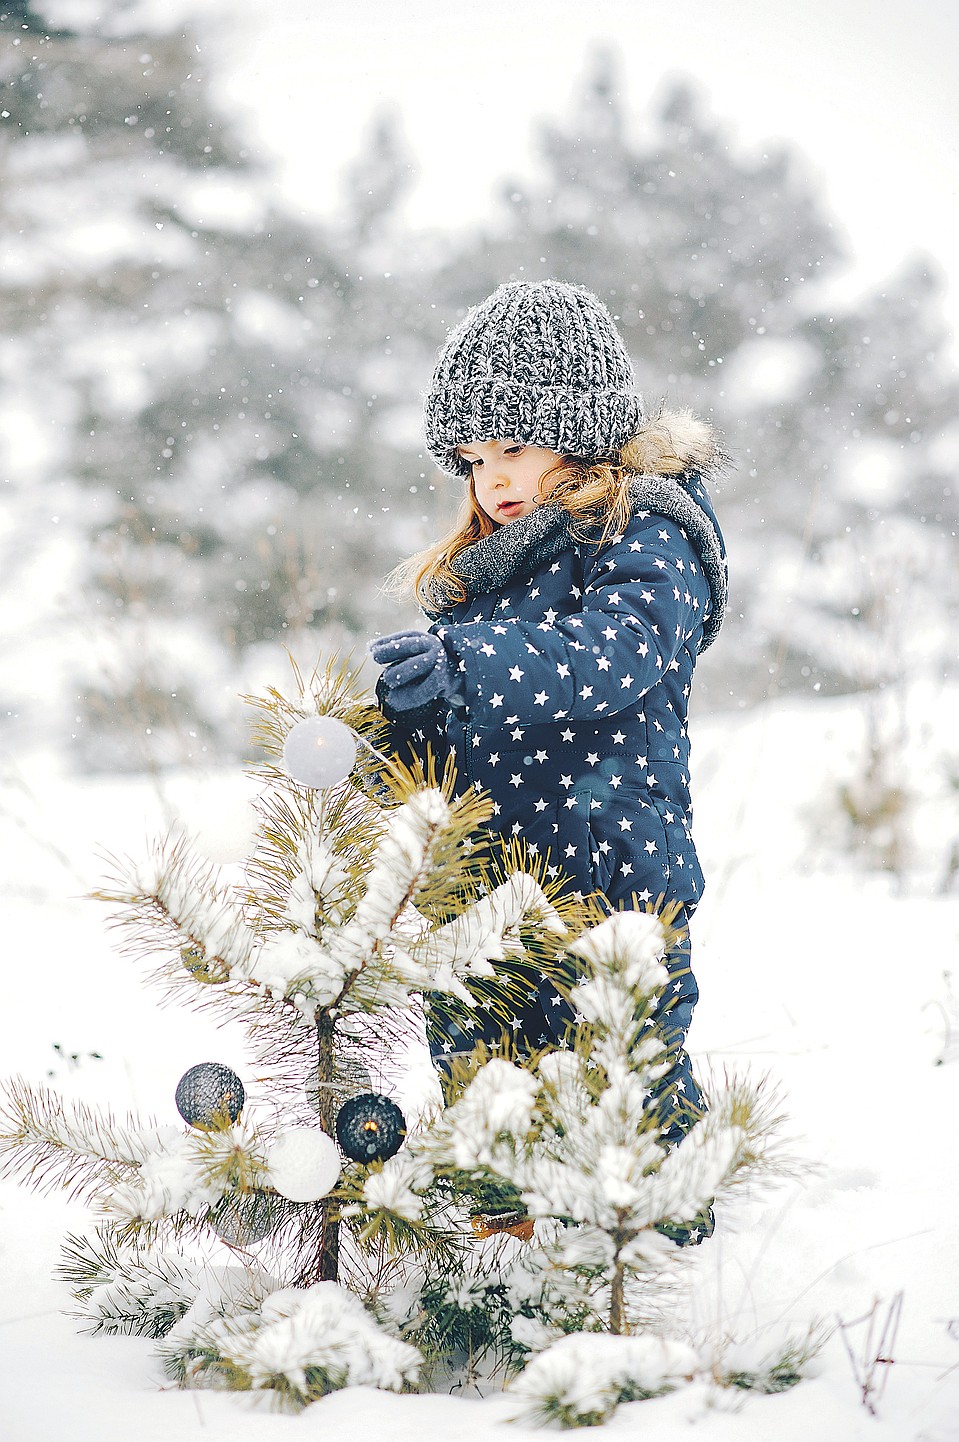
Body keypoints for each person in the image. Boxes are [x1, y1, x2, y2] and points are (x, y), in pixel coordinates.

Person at [369, 281, 728, 1228]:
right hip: (483, 888)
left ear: (582, 431)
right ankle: (494, 1266)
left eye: (515, 446)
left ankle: (653, 1264)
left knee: (621, 1089)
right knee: (483, 1095)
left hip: (610, 875)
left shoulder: (645, 533)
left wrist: (465, 666)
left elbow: (611, 657)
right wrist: (401, 731)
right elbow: (463, 725)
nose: (492, 478)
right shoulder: (477, 578)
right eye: (473, 457)